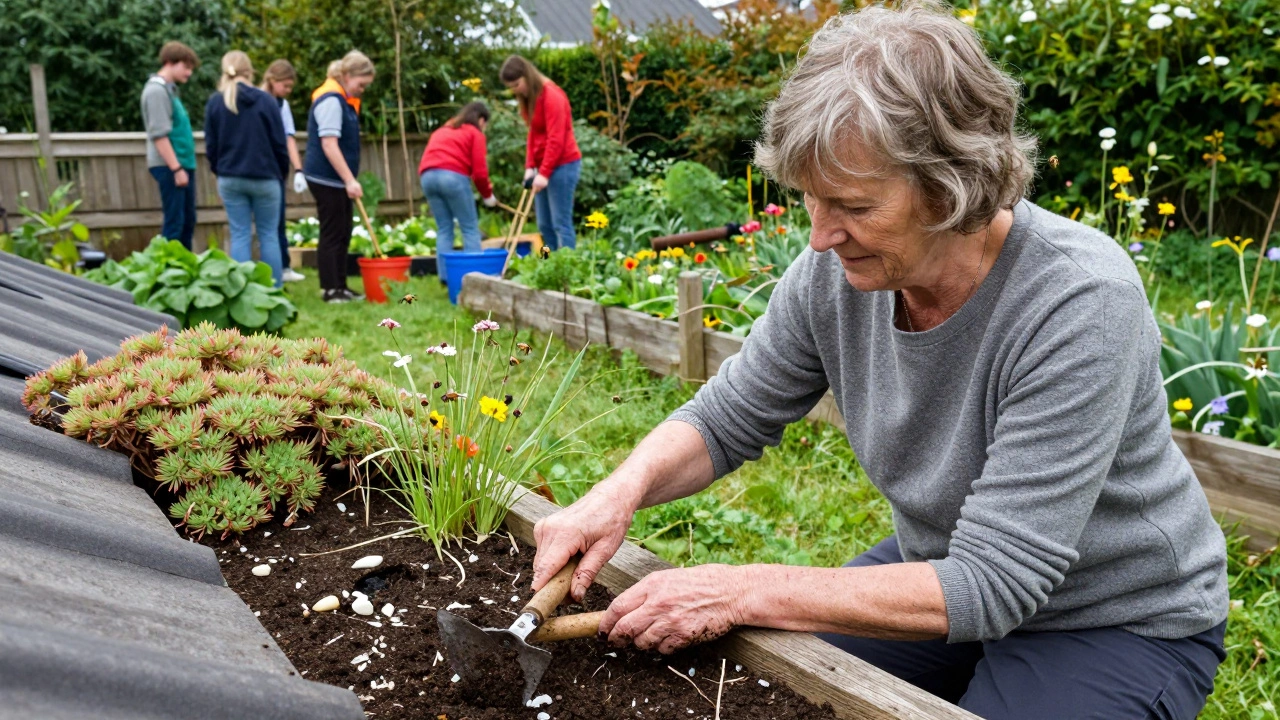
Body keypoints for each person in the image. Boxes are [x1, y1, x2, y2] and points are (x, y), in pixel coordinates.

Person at [527, 3, 1229, 719]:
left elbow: (995, 582)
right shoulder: (834, 276)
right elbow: (729, 416)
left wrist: (738, 586)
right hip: (942, 570)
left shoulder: (1078, 299)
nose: (823, 236)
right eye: (810, 200)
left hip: (1112, 616)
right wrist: (615, 495)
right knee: (763, 687)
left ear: (952, 183)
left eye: (854, 206)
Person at [204, 51, 289, 287]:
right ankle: (274, 291)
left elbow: (211, 146)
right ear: (250, 71)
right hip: (266, 177)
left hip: (230, 178)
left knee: (240, 234)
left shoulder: (215, 102)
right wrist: (281, 174)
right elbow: (279, 143)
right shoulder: (266, 101)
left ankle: (242, 291)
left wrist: (219, 171)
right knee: (268, 235)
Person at [303, 51, 375, 303]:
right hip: (326, 178)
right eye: (361, 84)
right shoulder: (331, 101)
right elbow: (329, 145)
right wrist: (349, 180)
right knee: (333, 232)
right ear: (346, 76)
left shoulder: (344, 100)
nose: (363, 89)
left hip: (336, 179)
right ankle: (330, 289)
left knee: (344, 230)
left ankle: (341, 286)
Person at [499, 55, 581, 251]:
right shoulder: (530, 99)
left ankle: (569, 271)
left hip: (563, 165)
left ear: (527, 76)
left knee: (560, 223)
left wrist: (543, 173)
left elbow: (556, 138)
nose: (515, 90)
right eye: (511, 87)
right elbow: (533, 135)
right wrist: (530, 167)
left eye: (517, 84)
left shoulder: (552, 95)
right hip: (544, 168)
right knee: (544, 225)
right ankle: (548, 265)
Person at [419, 101, 497, 279]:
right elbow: (479, 172)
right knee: (469, 228)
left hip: (427, 177)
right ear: (481, 120)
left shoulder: (442, 130)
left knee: (444, 228)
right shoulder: (474, 133)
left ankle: (445, 278)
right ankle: (475, 277)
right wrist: (487, 195)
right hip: (452, 177)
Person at [141, 41, 199, 249]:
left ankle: (184, 270)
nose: (189, 73)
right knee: (175, 224)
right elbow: (159, 135)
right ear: (170, 62)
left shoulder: (169, 90)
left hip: (183, 165)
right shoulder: (156, 91)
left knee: (187, 221)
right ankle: (170, 273)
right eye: (186, 67)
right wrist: (176, 168)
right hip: (171, 166)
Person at [261, 59, 308, 283]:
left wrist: (298, 169)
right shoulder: (255, 99)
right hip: (259, 167)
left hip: (277, 170)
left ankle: (284, 267)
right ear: (272, 80)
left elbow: (289, 137)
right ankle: (267, 272)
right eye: (285, 86)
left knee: (277, 220)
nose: (287, 91)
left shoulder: (282, 105)